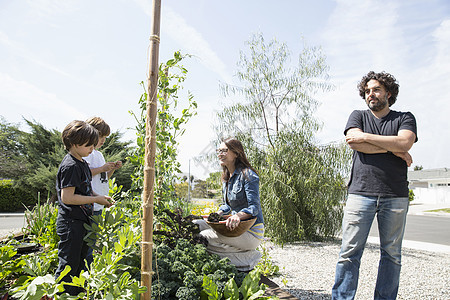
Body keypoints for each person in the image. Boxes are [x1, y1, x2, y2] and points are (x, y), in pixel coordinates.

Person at [332, 71, 418, 300]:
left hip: (395, 195)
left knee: (392, 255)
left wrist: (369, 140)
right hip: (360, 193)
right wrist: (396, 150)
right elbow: (353, 141)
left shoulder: (404, 117)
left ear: (388, 93)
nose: (371, 94)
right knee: (349, 252)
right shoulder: (358, 115)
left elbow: (405, 140)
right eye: (367, 90)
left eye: (376, 89)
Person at [54, 120, 113, 296]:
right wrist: (94, 200)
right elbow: (68, 197)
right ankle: (62, 295)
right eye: (88, 145)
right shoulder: (70, 165)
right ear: (74, 143)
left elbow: (86, 187)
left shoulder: (81, 162)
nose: (92, 149)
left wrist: (98, 197)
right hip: (71, 222)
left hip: (81, 221)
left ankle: (76, 294)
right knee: (68, 263)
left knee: (80, 262)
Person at [194, 137, 265, 272]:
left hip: (250, 231)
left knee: (204, 237)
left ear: (236, 153)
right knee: (194, 226)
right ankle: (239, 256)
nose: (220, 154)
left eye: (224, 150)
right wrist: (217, 214)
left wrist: (237, 216)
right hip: (234, 227)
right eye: (218, 150)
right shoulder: (227, 179)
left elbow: (254, 208)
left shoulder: (249, 176)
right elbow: (226, 205)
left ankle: (248, 259)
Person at [83, 117, 122, 264]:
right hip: (89, 202)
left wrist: (111, 169)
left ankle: (88, 269)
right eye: (101, 136)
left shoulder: (98, 154)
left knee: (92, 240)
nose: (103, 140)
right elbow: (83, 173)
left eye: (105, 137)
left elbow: (103, 177)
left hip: (98, 203)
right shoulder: (87, 153)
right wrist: (102, 168)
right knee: (88, 242)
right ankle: (86, 271)